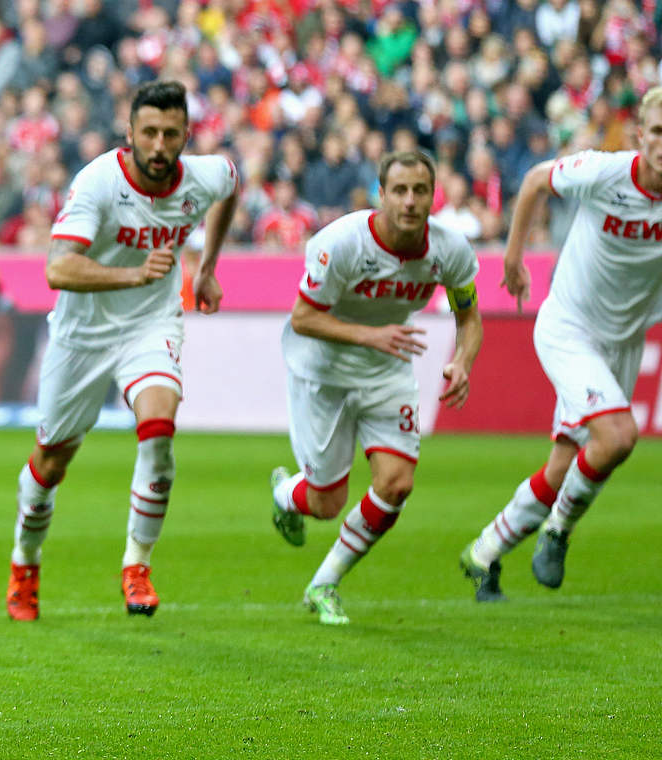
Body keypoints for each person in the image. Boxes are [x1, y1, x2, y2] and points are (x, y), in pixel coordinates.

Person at [5, 80, 240, 621]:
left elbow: (231, 186)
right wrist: (135, 272)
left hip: (150, 326)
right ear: (130, 132)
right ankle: (26, 561)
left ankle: (137, 565)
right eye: (150, 132)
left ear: (185, 136)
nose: (159, 145)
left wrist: (207, 268)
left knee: (159, 426)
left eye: (171, 134)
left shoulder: (204, 176)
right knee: (51, 461)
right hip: (81, 337)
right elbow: (57, 269)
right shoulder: (98, 182)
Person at [459, 86, 662, 601]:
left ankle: (482, 553)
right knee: (617, 438)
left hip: (623, 341)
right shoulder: (605, 172)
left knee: (563, 464)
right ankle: (558, 531)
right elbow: (532, 182)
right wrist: (512, 257)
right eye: (659, 132)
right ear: (642, 135)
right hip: (569, 328)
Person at [267, 150, 483, 626]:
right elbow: (303, 318)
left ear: (432, 196)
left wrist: (462, 361)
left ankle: (324, 584)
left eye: (420, 191)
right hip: (322, 370)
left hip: (386, 371)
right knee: (326, 503)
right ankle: (286, 495)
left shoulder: (450, 250)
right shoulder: (341, 243)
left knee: (397, 483)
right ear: (380, 195)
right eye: (400, 191)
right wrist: (372, 335)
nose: (410, 201)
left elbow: (469, 318)